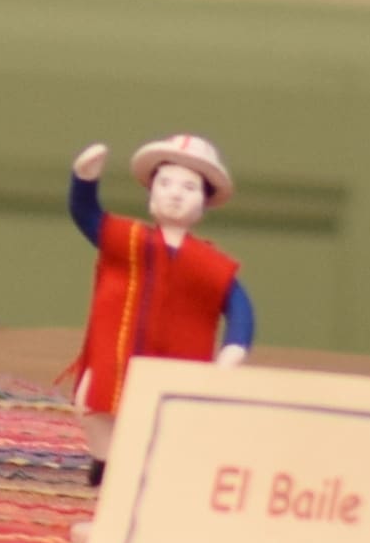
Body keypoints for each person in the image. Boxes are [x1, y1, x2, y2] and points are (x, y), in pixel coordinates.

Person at [64, 133, 255, 415]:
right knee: (102, 414)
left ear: (203, 201)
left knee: (167, 419)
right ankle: (104, 460)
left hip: (179, 370)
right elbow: (87, 215)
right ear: (151, 191)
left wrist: (234, 348)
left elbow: (239, 306)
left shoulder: (208, 264)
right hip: (116, 365)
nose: (175, 194)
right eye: (164, 183)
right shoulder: (126, 241)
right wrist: (84, 180)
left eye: (189, 188)